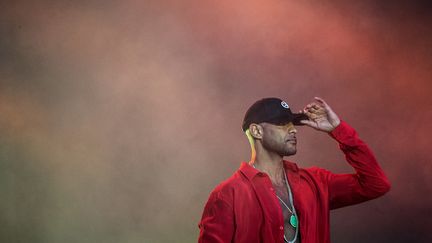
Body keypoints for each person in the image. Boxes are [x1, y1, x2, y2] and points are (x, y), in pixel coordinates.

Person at [197, 97, 391, 243]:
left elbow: (376, 184)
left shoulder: (315, 182)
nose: (293, 129)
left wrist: (338, 129)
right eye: (282, 124)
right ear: (257, 131)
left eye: (293, 123)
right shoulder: (227, 195)